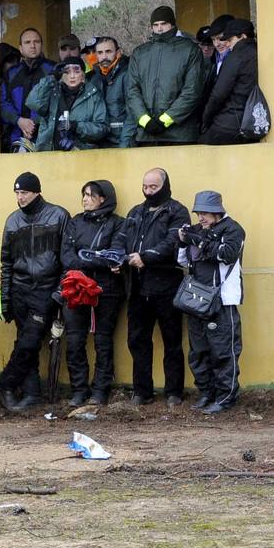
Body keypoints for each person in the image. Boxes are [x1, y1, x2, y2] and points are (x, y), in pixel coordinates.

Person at [113, 168, 191, 406]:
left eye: (153, 187)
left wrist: (146, 257)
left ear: (165, 185)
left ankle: (174, 392)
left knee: (172, 341)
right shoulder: (136, 212)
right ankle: (141, 391)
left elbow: (172, 242)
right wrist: (116, 258)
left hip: (167, 284)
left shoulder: (177, 211)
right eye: (145, 187)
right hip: (136, 286)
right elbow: (121, 238)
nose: (148, 191)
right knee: (137, 340)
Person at [0, 172, 69, 411]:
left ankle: (6, 384)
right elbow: (5, 262)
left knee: (29, 341)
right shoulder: (13, 221)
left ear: (37, 192)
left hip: (45, 290)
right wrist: (5, 297)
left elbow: (66, 260)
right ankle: (31, 393)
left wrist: (58, 292)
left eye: (24, 193)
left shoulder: (58, 215)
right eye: (17, 193)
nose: (20, 198)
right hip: (19, 289)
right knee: (26, 341)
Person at [178, 191, 246, 414]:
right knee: (198, 352)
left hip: (222, 301)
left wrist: (197, 239)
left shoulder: (233, 229)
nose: (201, 218)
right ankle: (206, 393)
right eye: (198, 214)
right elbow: (183, 260)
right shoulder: (198, 231)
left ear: (217, 212)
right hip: (196, 299)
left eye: (205, 213)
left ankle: (225, 397)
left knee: (223, 351)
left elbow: (227, 254)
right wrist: (182, 241)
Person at [58, 181, 125, 407]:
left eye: (90, 195)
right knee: (75, 340)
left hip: (107, 291)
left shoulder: (118, 224)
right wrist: (96, 258)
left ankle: (100, 390)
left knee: (102, 340)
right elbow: (66, 256)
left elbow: (114, 256)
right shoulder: (75, 222)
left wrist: (86, 256)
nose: (85, 199)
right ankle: (79, 389)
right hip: (76, 288)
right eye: (83, 195)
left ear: (103, 198)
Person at [126, 6, 208, 146]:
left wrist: (165, 120)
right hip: (147, 134)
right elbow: (132, 91)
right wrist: (145, 121)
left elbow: (192, 92)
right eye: (155, 25)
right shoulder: (139, 53)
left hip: (180, 134)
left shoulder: (190, 50)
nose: (159, 29)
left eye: (164, 24)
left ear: (173, 24)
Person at [25, 60, 109, 151]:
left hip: (80, 155)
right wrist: (51, 77)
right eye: (67, 72)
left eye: (76, 71)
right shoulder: (52, 90)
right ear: (61, 75)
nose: (72, 76)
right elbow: (32, 103)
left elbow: (103, 128)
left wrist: (76, 126)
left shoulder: (94, 95)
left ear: (83, 76)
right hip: (49, 154)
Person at [199, 19, 259, 144]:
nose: (226, 44)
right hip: (254, 122)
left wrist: (205, 121)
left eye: (230, 40)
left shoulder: (236, 56)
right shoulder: (259, 52)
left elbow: (218, 94)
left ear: (243, 36)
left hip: (230, 123)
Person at [0, 28, 56, 151]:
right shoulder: (11, 74)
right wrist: (19, 121)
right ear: (20, 48)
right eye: (27, 42)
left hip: (46, 138)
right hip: (15, 137)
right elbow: (3, 103)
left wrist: (33, 123)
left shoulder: (53, 70)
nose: (33, 45)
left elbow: (58, 104)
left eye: (36, 42)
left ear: (41, 45)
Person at [86, 36, 134, 148]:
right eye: (100, 53)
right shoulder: (93, 78)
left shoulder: (128, 74)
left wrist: (125, 143)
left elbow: (133, 113)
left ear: (118, 52)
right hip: (100, 142)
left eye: (108, 51)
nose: (104, 57)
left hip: (123, 141)